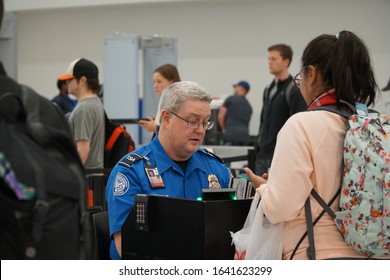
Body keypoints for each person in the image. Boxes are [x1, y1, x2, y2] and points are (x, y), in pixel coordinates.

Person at [244, 31, 385, 260]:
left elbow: (281, 207)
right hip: (375, 257)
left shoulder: (302, 125)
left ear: (311, 73)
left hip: (317, 254)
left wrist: (266, 188)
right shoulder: (376, 126)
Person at [106, 81, 232, 259]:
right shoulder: (131, 172)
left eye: (205, 123)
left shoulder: (215, 169)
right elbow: (128, 249)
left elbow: (233, 233)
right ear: (166, 118)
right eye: (193, 121)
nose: (200, 130)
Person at [255, 44, 307, 175]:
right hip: (262, 154)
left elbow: (298, 124)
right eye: (269, 59)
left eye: (274, 59)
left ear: (286, 61)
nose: (270, 62)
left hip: (281, 155)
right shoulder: (268, 89)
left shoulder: (294, 90)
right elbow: (263, 120)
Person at [59, 58, 105, 169]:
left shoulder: (84, 109)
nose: (67, 83)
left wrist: (69, 174)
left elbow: (82, 152)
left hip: (86, 177)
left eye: (70, 79)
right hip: (95, 176)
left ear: (83, 80)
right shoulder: (95, 102)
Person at [138, 64, 181, 136]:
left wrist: (155, 128)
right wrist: (154, 125)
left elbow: (177, 132)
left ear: (172, 81)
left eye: (159, 81)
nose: (155, 86)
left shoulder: (177, 103)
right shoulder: (163, 100)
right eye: (154, 82)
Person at [218, 80, 253, 146]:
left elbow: (221, 115)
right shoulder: (249, 105)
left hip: (231, 135)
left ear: (240, 87)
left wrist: (223, 128)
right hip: (244, 136)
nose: (234, 89)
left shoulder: (230, 99)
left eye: (235, 87)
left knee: (228, 155)